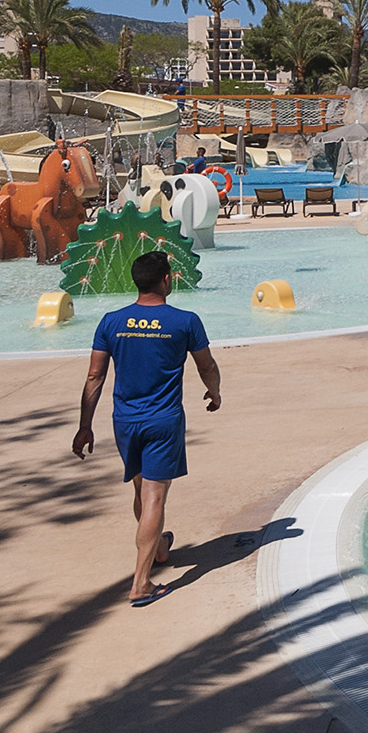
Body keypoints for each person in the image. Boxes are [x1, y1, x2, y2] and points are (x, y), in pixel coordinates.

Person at [73, 252, 222, 606]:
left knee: (142, 493)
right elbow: (206, 365)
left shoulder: (111, 321)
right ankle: (141, 583)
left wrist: (84, 426)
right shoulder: (185, 321)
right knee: (155, 496)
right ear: (167, 279)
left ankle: (157, 549)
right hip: (162, 420)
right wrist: (214, 391)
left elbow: (95, 375)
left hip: (124, 420)